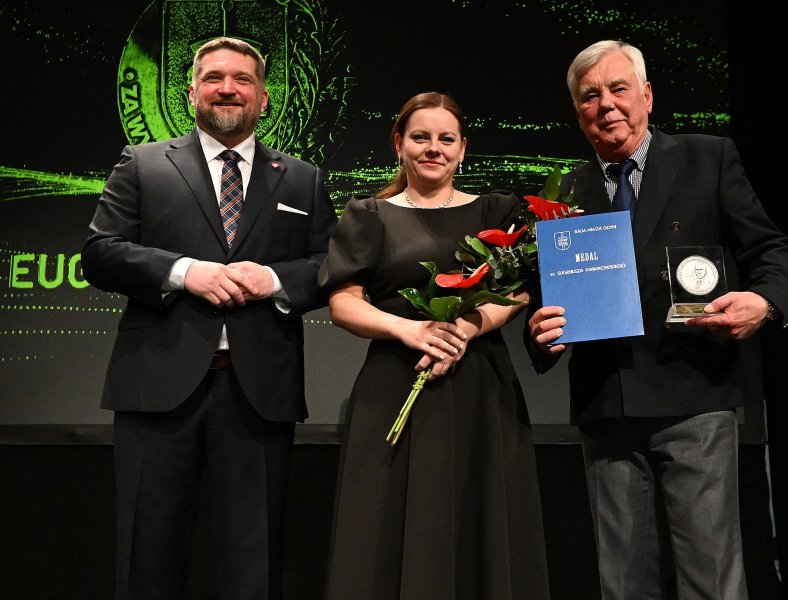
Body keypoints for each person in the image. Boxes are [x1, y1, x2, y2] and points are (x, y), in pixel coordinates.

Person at [526, 40, 788, 600]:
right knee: (622, 583)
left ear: (647, 95)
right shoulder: (563, 193)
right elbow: (544, 299)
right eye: (590, 96)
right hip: (607, 408)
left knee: (711, 577)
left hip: (695, 395)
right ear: (578, 114)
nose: (607, 105)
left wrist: (765, 304)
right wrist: (540, 331)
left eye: (619, 88)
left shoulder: (708, 156)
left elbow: (770, 250)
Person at [81, 37, 337, 599]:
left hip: (257, 395)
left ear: (265, 97)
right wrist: (183, 271)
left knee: (254, 565)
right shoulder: (143, 164)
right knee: (147, 561)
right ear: (192, 90)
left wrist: (272, 280)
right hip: (156, 390)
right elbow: (100, 253)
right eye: (215, 77)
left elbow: (329, 267)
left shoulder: (302, 179)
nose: (228, 88)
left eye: (243, 79)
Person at [319, 91, 551, 600]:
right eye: (420, 137)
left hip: (480, 390)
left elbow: (518, 291)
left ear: (463, 148)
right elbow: (343, 304)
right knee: (384, 528)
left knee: (480, 524)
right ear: (399, 143)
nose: (434, 148)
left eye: (447, 139)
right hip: (394, 384)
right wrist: (411, 330)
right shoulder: (370, 214)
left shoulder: (497, 210)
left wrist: (465, 327)